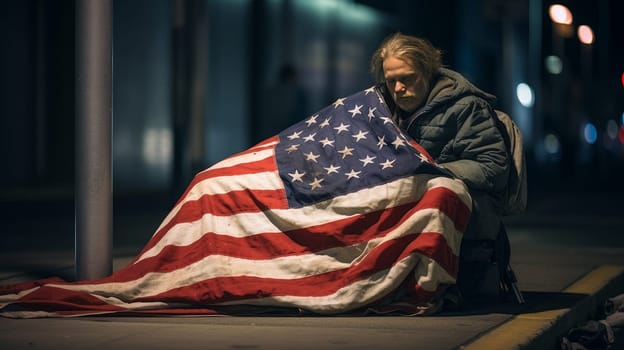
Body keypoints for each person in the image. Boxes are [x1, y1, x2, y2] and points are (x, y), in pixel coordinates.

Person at [370, 32, 510, 241]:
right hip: (404, 220)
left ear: (427, 72)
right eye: (391, 82)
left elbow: (494, 167)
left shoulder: (466, 108)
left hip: (461, 224)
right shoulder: (380, 112)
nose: (398, 88)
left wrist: (431, 172)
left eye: (407, 78)